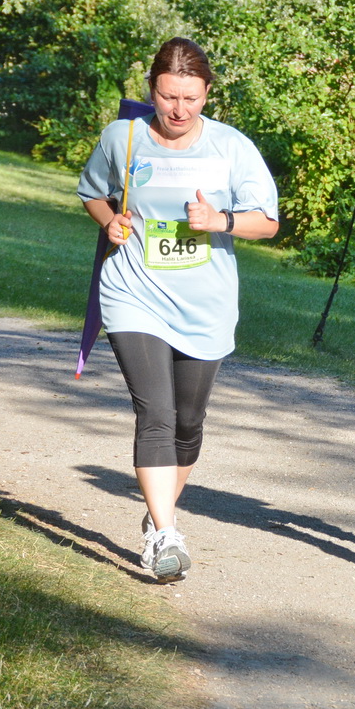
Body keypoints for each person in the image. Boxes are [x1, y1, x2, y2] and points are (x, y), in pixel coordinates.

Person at [77, 37, 279, 582]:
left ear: (207, 93)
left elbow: (268, 222)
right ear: (152, 90)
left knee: (188, 423)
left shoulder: (231, 148)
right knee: (157, 414)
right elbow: (92, 192)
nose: (179, 109)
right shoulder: (122, 138)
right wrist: (110, 222)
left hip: (205, 303)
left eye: (191, 98)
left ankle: (158, 508)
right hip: (134, 293)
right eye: (168, 96)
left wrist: (220, 222)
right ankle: (165, 535)